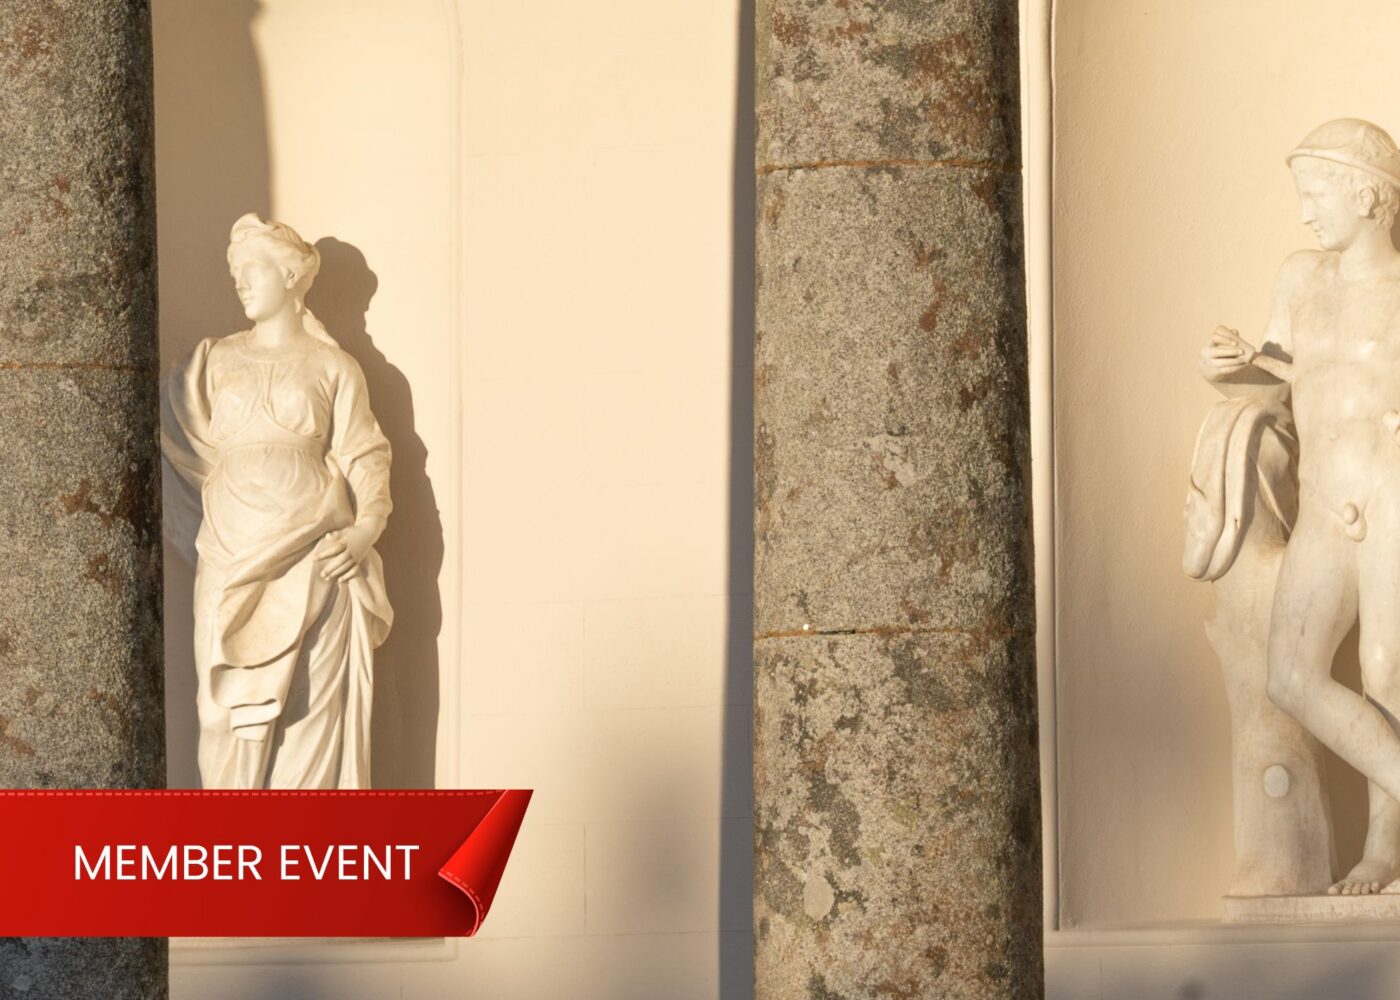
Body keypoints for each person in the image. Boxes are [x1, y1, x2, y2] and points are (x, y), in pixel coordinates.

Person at [1202, 119, 1400, 895]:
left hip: (1390, 493)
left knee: (1386, 670)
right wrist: (1227, 369)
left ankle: (1383, 853)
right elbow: (1278, 378)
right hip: (1324, 499)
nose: (1307, 212)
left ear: (1367, 195)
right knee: (1289, 675)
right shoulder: (1299, 279)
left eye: (1317, 194)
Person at [162, 213, 393, 789]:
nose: (239, 282)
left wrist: (364, 531)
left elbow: (365, 454)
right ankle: (229, 832)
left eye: (251, 269)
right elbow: (176, 439)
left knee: (304, 706)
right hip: (231, 544)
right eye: (234, 271)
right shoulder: (212, 361)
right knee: (220, 711)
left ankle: (302, 832)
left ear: (290, 276)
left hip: (314, 544)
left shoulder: (334, 366)